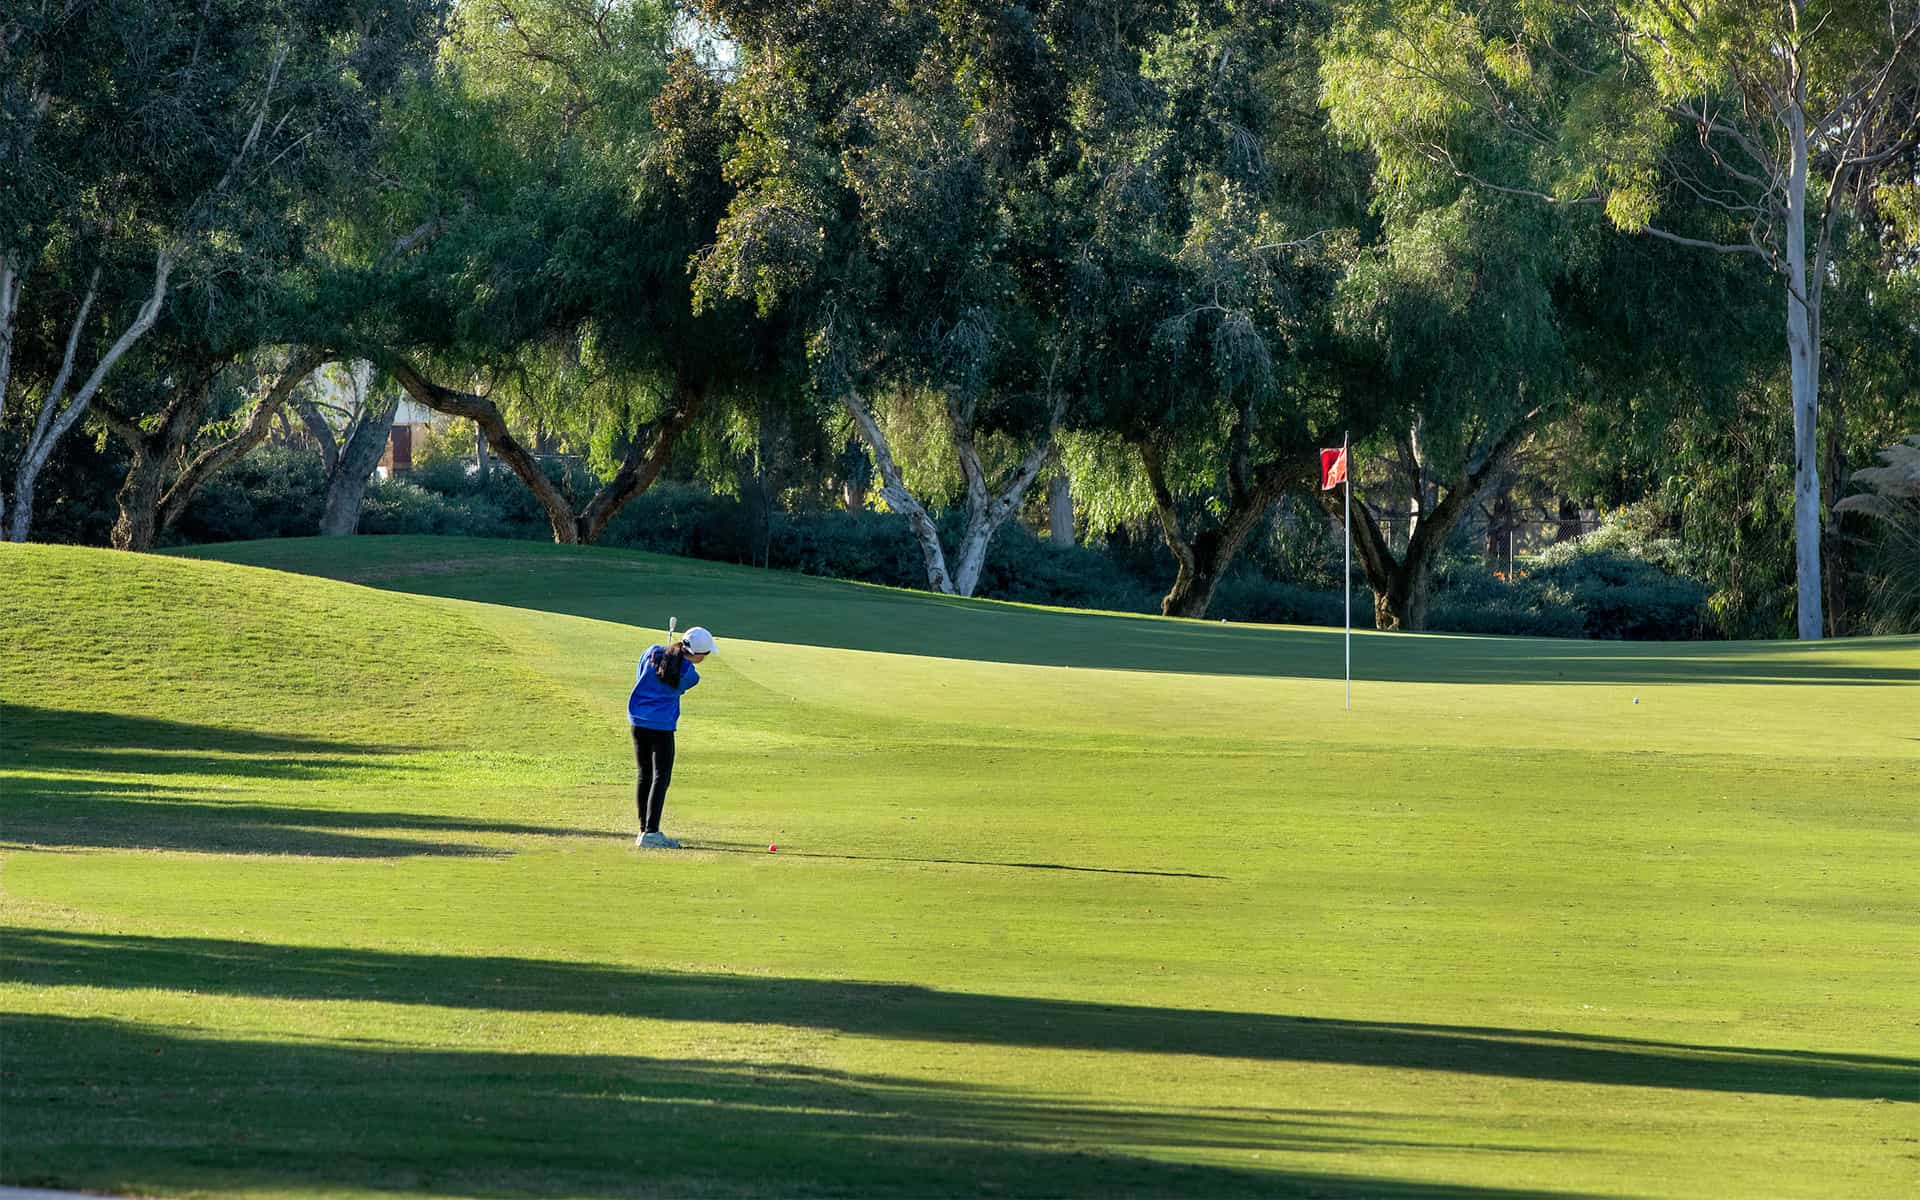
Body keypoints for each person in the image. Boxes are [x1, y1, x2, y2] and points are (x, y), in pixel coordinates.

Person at [627, 624, 715, 848]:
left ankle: (644, 831)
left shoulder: (651, 652)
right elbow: (684, 681)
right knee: (661, 777)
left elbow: (640, 674)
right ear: (697, 654)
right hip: (662, 726)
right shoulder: (689, 674)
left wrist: (663, 658)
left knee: (645, 774)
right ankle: (651, 833)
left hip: (637, 720)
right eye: (705, 655)